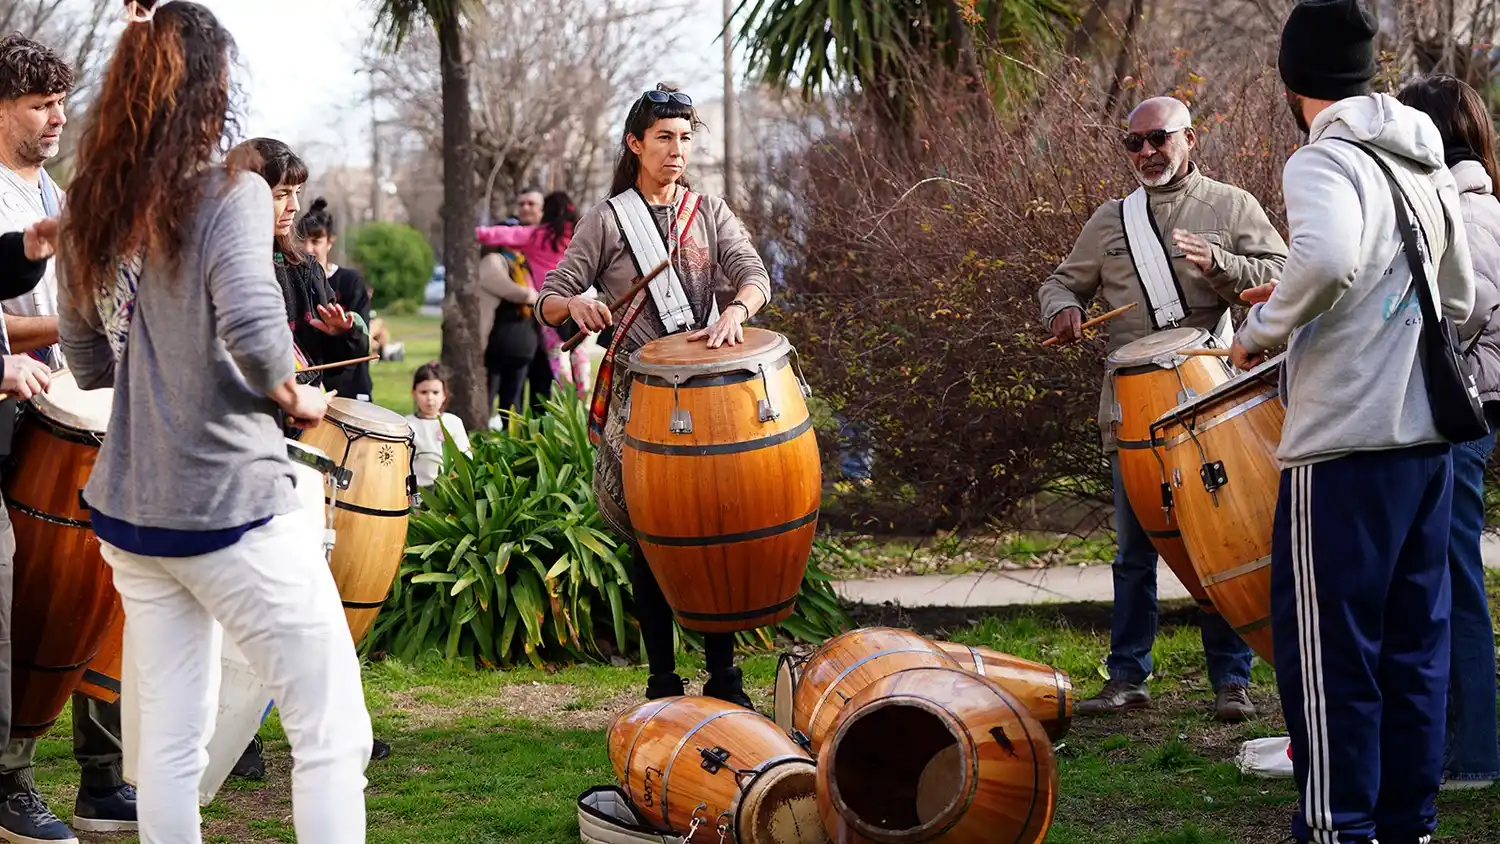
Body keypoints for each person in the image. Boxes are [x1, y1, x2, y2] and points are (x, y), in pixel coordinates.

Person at [54, 2, 373, 842]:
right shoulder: (231, 192)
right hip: (227, 505)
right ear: (211, 91)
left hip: (133, 513)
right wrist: (296, 396)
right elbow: (256, 330)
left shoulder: (92, 203)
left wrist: (159, 378)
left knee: (168, 742)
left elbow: (87, 358)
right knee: (333, 730)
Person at [1229, 2, 1476, 841]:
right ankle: (1409, 825)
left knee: (1332, 659)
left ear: (1292, 79)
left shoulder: (1322, 157)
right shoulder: (1422, 152)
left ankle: (1339, 827)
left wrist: (1261, 330)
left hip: (1343, 446)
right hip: (1426, 441)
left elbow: (1332, 258)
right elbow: (1460, 294)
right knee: (1414, 651)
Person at [1037, 95, 1287, 723]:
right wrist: (1062, 309)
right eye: (1134, 143)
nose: (1147, 152)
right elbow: (1060, 282)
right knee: (1133, 552)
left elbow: (1284, 275)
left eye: (1159, 138)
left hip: (1210, 397)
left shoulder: (1230, 206)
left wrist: (1221, 263)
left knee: (1218, 544)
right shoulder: (1110, 220)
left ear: (1190, 139)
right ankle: (1127, 677)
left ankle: (1232, 682)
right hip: (1131, 406)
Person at [537, 85, 772, 707]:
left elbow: (754, 275)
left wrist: (736, 312)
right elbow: (549, 297)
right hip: (640, 399)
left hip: (708, 399)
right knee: (649, 538)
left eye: (685, 138)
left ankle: (724, 677)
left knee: (713, 531)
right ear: (635, 144)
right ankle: (662, 679)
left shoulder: (710, 211)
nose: (677, 149)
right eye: (664, 137)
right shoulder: (607, 219)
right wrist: (577, 304)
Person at [0, 31, 137, 843]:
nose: (57, 117)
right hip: (17, 414)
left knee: (113, 573)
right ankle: (10, 777)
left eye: (61, 103)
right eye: (39, 105)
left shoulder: (55, 192)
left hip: (73, 408)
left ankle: (101, 777)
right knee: (22, 587)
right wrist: (73, 326)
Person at [1397, 74, 1500, 793]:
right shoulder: (1475, 200)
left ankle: (1474, 753)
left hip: (1469, 405)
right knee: (1447, 569)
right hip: (1478, 401)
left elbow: (1467, 309)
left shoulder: (1459, 208)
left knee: (1454, 574)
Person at [229, 138, 365, 391]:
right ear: (243, 197)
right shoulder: (215, 270)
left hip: (301, 412)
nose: (295, 207)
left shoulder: (305, 270)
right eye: (282, 194)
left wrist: (341, 336)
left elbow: (332, 365)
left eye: (297, 193)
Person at [477, 191, 592, 398]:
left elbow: (500, 235)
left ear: (544, 211)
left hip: (552, 302)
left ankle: (566, 394)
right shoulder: (580, 235)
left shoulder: (536, 236)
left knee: (556, 349)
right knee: (578, 348)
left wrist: (475, 232)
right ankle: (583, 391)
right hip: (582, 300)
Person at [300, 198, 373, 401]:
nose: (307, 248)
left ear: (330, 241)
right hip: (308, 389)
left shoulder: (350, 282)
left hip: (349, 388)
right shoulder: (292, 282)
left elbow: (362, 340)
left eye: (315, 241)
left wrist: (345, 331)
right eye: (302, 240)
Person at [477, 243, 541, 416]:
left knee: (512, 402)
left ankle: (511, 433)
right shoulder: (494, 260)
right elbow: (505, 288)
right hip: (496, 346)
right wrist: (534, 296)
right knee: (487, 397)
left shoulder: (525, 264)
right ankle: (481, 431)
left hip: (522, 347)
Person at [406, 362, 472, 489]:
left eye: (435, 392)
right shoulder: (406, 425)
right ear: (414, 393)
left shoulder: (453, 423)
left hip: (448, 489)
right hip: (416, 490)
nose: (430, 398)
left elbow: (465, 457)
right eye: (423, 392)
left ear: (444, 395)